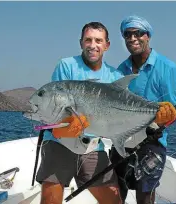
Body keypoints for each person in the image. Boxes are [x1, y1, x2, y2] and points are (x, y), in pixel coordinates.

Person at [36, 22, 123, 204]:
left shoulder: (114, 76)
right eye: (88, 40)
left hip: (92, 146)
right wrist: (70, 120)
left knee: (114, 202)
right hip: (59, 143)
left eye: (98, 40)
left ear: (107, 45)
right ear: (81, 42)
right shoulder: (66, 66)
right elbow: (55, 106)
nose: (93, 45)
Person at [109, 15, 176, 204]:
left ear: (148, 36)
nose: (133, 38)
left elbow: (173, 112)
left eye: (138, 33)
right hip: (123, 140)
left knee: (145, 197)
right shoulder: (120, 70)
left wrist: (158, 124)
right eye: (127, 34)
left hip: (152, 142)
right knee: (116, 193)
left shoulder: (168, 67)